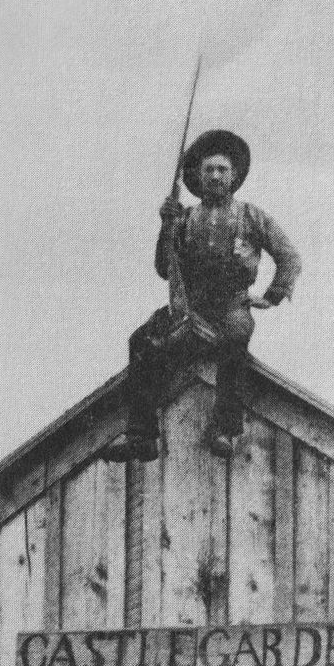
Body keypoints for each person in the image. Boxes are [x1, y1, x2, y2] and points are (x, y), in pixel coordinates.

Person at [111, 129, 301, 461]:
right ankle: (142, 436)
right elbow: (162, 268)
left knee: (235, 338)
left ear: (234, 176)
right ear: (199, 177)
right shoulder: (184, 219)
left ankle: (224, 429)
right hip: (190, 306)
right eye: (208, 170)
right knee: (141, 341)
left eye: (221, 170)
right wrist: (166, 226)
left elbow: (288, 256)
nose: (215, 175)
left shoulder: (251, 216)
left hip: (231, 305)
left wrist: (271, 295)